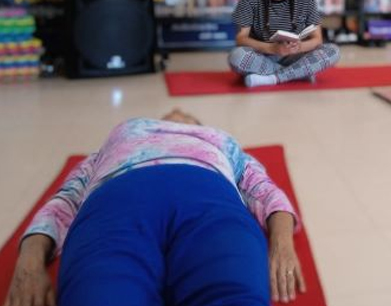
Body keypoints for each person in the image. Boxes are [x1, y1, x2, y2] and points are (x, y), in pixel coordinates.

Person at [4, 109, 305, 306]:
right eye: (169, 115)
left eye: (187, 116)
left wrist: (282, 245)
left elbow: (264, 191)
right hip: (116, 202)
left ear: (200, 127)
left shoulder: (222, 142)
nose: (177, 114)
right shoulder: (120, 137)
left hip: (209, 201)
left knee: (233, 295)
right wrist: (29, 260)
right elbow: (65, 199)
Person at [228, 0, 340, 88]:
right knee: (237, 57)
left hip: (295, 55)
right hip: (263, 55)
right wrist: (272, 48)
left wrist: (299, 47)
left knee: (333, 51)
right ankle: (300, 72)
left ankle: (272, 78)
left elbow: (317, 39)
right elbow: (241, 38)